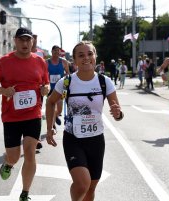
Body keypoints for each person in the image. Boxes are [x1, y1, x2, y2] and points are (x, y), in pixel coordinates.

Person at [46, 41, 124, 201]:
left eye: (90, 54)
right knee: (82, 184)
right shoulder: (66, 82)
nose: (86, 58)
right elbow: (50, 101)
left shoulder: (104, 82)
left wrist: (118, 113)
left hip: (96, 139)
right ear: (74, 60)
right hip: (73, 139)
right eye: (81, 55)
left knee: (91, 187)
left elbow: (118, 114)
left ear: (95, 57)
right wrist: (50, 127)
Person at [0, 27, 50, 201]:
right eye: (21, 40)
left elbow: (46, 84)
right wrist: (4, 91)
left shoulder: (40, 62)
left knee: (30, 153)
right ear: (15, 41)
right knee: (14, 157)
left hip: (33, 114)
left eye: (28, 40)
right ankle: (8, 163)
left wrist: (45, 90)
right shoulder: (5, 62)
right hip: (11, 117)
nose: (25, 43)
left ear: (32, 42)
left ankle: (25, 193)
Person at [47, 45, 70, 128]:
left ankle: (56, 116)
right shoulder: (47, 62)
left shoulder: (64, 62)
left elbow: (68, 74)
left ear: (60, 52)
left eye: (58, 51)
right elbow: (43, 75)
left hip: (62, 88)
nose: (56, 52)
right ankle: (52, 125)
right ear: (51, 52)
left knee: (60, 110)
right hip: (51, 88)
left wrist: (66, 84)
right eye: (55, 51)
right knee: (51, 106)